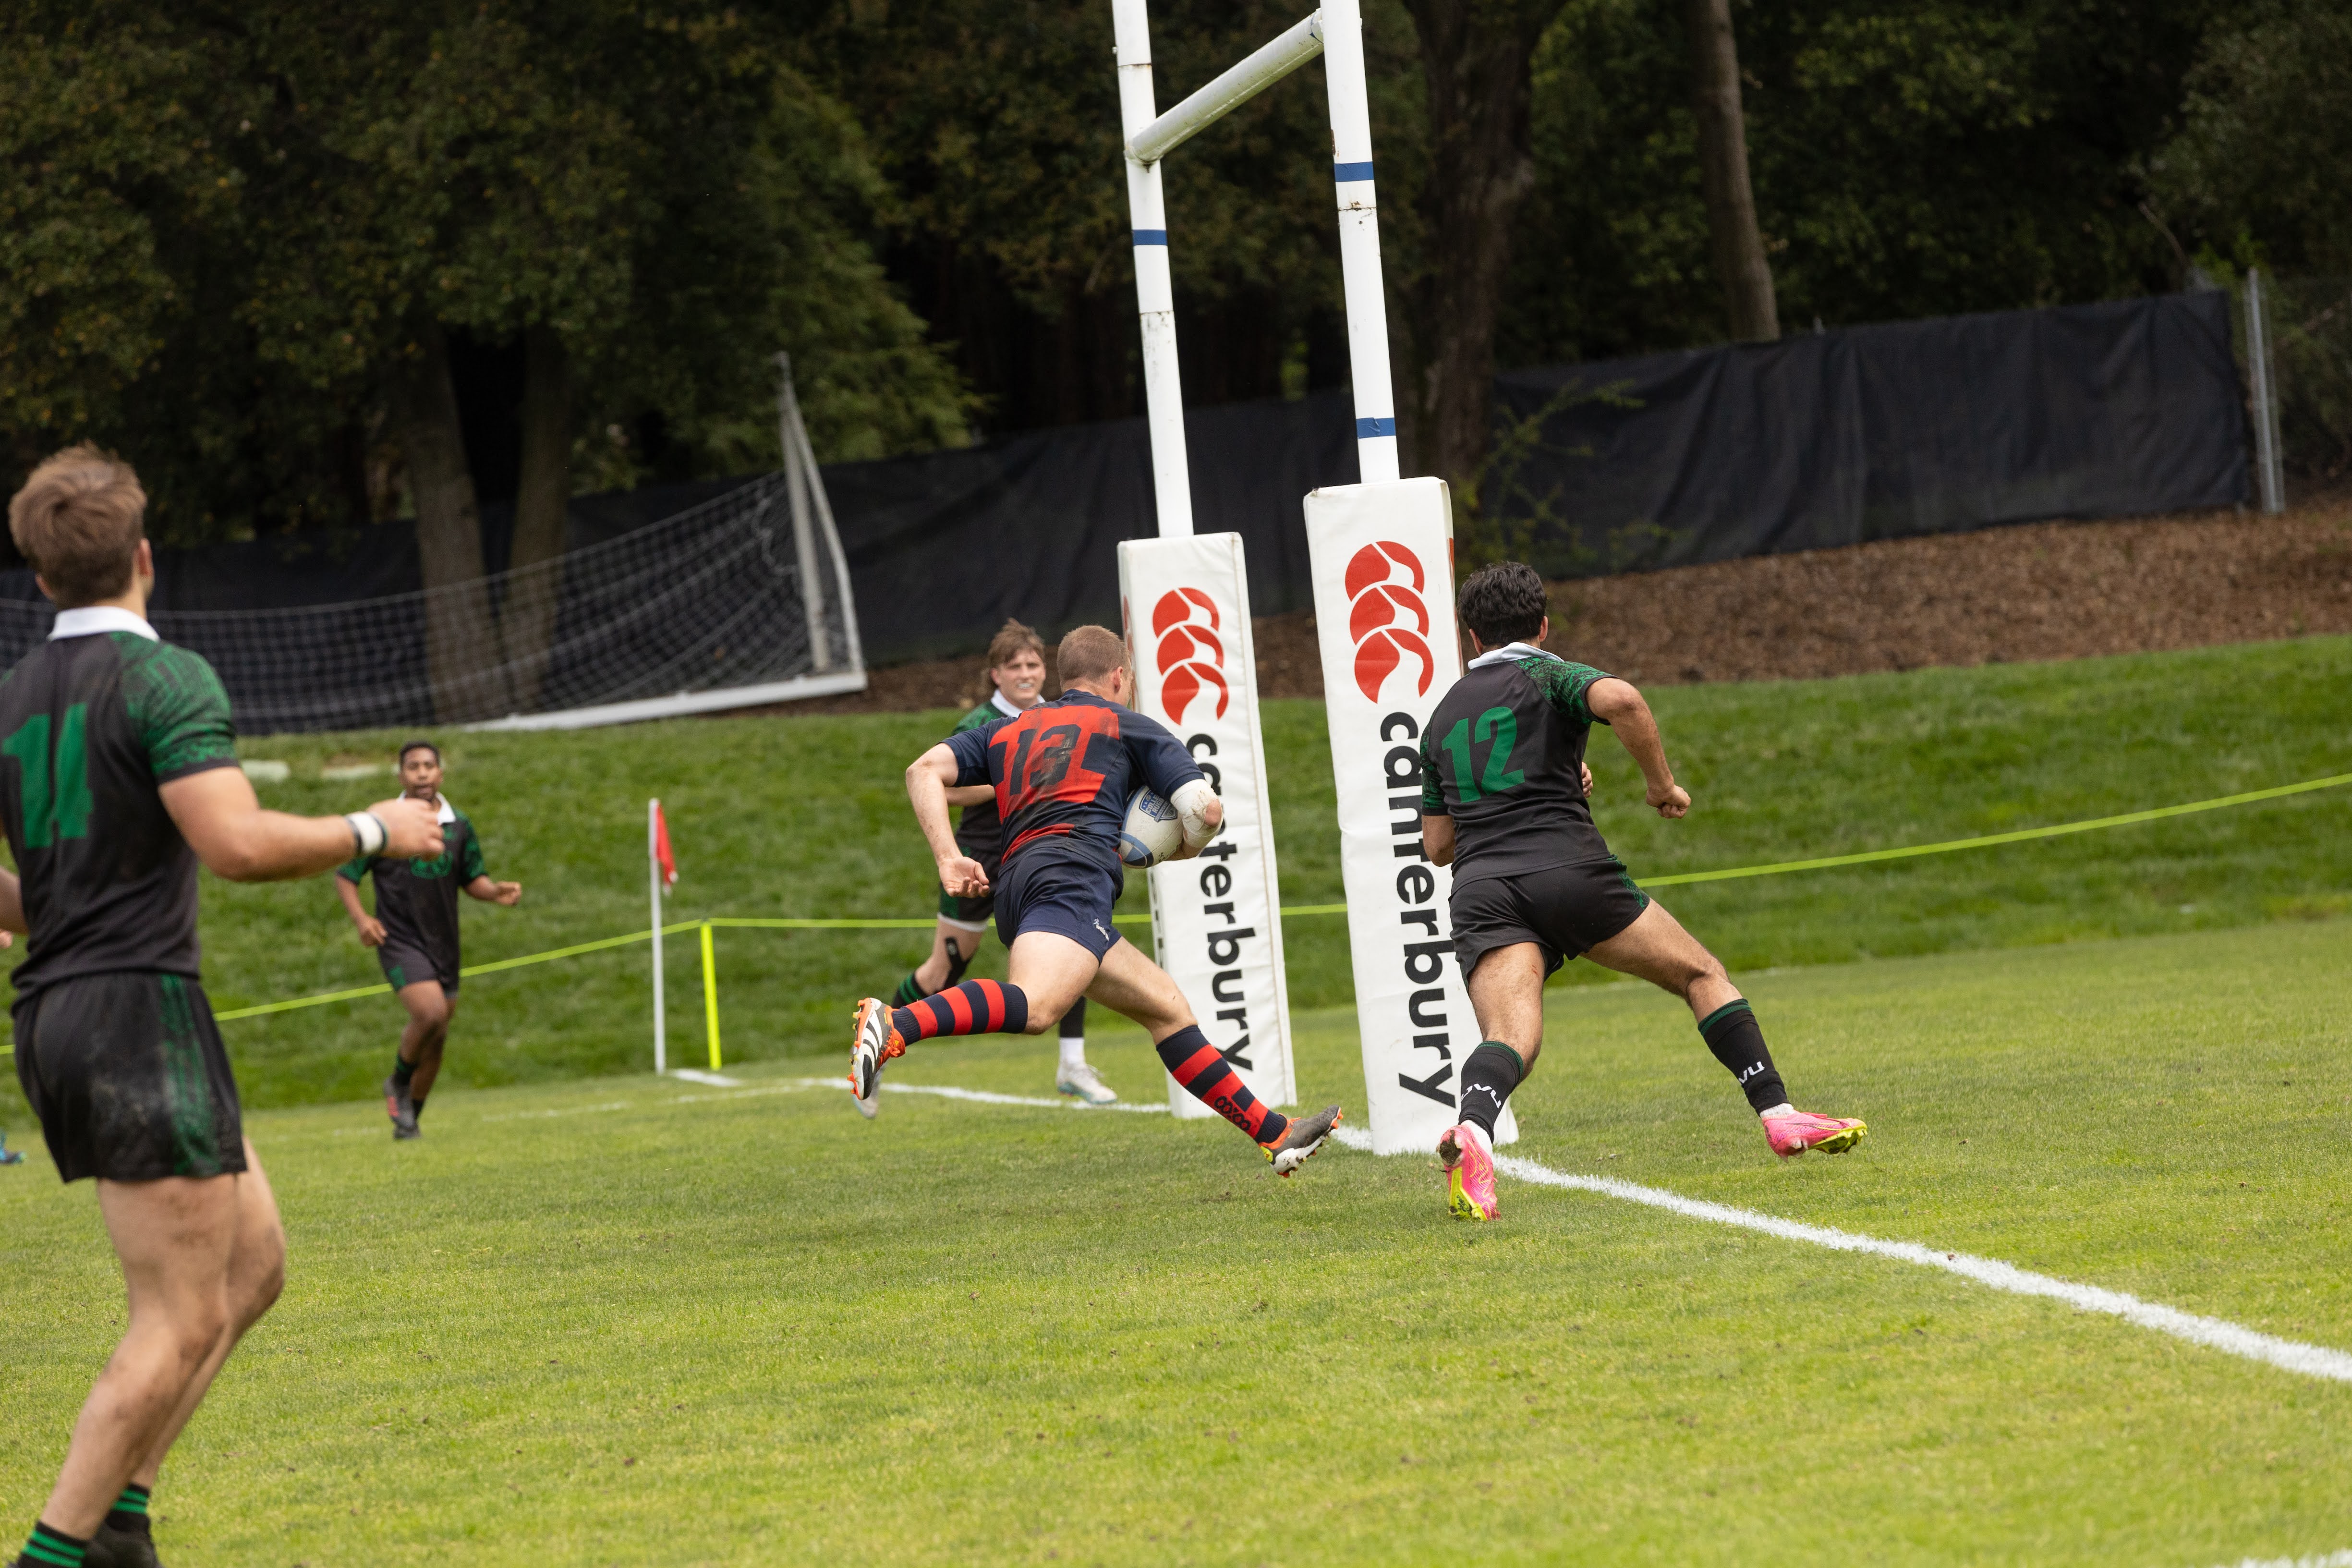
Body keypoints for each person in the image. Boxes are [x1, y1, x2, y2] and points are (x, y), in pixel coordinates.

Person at [1, 446, 440, 1568]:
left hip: (72, 1009)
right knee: (178, 1315)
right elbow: (237, 844)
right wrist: (373, 830)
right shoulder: (162, 678)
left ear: (41, 579)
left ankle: (123, 1519)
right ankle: (64, 1552)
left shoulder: (12, 697)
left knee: (252, 1269)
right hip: (133, 1014)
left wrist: (58, 908)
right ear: (145, 559)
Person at [1418, 560, 1866, 1222]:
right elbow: (1622, 700)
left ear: (1469, 636)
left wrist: (1554, 773)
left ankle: (1474, 1132)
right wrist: (1661, 786)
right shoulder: (1548, 670)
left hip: (1483, 887)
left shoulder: (1439, 718)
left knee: (1512, 1033)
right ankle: (1778, 1112)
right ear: (1541, 625)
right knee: (1699, 973)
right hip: (1567, 872)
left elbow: (1437, 847)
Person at [847, 625, 1343, 1172]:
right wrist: (1174, 852)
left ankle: (1275, 1133)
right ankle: (895, 1024)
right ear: (1119, 677)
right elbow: (1205, 810)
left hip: (1021, 883)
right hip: (1072, 877)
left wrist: (947, 856)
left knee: (1166, 1008)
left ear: (1063, 678)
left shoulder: (1008, 729)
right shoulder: (1127, 724)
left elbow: (922, 771)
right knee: (1036, 1008)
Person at [881, 620, 1115, 1104]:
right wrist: (1011, 776)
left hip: (1035, 852)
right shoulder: (978, 725)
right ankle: (880, 1037)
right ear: (996, 675)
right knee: (944, 968)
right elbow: (941, 785)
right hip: (979, 857)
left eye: (1033, 664)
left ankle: (1072, 1063)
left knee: (1073, 948)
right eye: (1015, 667)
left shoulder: (1058, 715)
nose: (1026, 674)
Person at [334, 741, 521, 1140]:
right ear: (401, 775)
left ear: (441, 773)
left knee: (437, 1039)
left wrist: (494, 891)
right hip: (399, 938)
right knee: (431, 1014)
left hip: (444, 943)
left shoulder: (460, 825)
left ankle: (409, 1121)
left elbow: (473, 878)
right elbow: (346, 874)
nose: (422, 773)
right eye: (413, 766)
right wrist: (362, 918)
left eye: (429, 766)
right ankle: (398, 1082)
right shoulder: (385, 821)